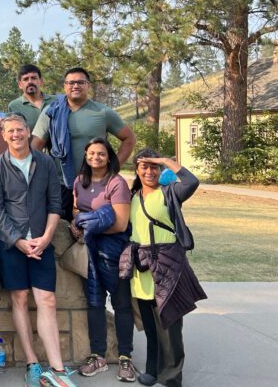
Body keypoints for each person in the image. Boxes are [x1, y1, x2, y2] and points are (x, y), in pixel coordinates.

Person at [0, 115, 75, 387]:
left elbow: (54, 204)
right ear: (3, 135)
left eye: (20, 130)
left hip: (41, 242)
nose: (16, 135)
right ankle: (32, 363)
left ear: (28, 132)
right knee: (21, 299)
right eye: (10, 131)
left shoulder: (45, 162)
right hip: (12, 245)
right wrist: (17, 240)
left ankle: (58, 369)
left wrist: (47, 237)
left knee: (46, 299)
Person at [119, 150, 207, 387]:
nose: (149, 172)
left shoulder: (170, 193)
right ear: (136, 170)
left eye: (154, 167)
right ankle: (152, 369)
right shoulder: (132, 197)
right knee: (150, 327)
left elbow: (192, 181)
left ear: (160, 169)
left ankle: (171, 377)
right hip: (142, 268)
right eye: (144, 167)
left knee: (170, 326)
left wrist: (165, 160)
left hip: (167, 266)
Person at [32, 67, 136, 222]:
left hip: (95, 185)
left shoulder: (103, 112)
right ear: (64, 86)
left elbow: (129, 138)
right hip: (60, 185)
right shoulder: (51, 112)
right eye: (71, 82)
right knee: (60, 232)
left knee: (93, 231)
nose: (75, 86)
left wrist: (113, 167)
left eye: (81, 82)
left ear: (88, 85)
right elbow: (35, 146)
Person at [70, 138, 135, 382]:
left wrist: (87, 225)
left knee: (121, 303)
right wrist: (80, 222)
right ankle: (97, 356)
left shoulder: (117, 183)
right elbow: (76, 210)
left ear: (109, 157)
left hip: (113, 249)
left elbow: (119, 223)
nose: (96, 157)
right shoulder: (80, 181)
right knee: (94, 303)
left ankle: (125, 357)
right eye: (92, 153)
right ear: (86, 156)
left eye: (101, 154)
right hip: (89, 249)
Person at [7, 64, 54, 129]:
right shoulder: (14, 106)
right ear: (20, 85)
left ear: (41, 81)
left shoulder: (55, 101)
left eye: (34, 78)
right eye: (25, 79)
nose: (30, 82)